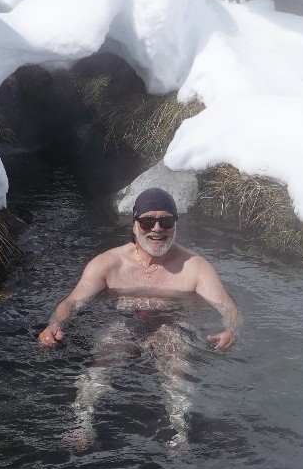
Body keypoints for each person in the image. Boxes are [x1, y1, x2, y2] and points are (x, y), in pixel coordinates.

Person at [37, 188, 240, 446]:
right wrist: (54, 325)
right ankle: (82, 426)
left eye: (165, 221)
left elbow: (228, 307)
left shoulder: (194, 266)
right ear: (134, 225)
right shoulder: (109, 263)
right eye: (147, 221)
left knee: (177, 365)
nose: (157, 228)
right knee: (101, 364)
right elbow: (72, 301)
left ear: (175, 225)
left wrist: (230, 330)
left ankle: (180, 432)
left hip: (174, 327)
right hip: (124, 323)